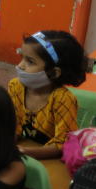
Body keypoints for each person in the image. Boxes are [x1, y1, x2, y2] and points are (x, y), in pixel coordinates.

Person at [9, 31, 84, 159]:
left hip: (50, 161)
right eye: (22, 57)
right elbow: (11, 125)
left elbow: (62, 144)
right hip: (23, 154)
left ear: (54, 73)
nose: (20, 66)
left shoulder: (62, 99)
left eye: (30, 62)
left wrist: (25, 152)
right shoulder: (16, 86)